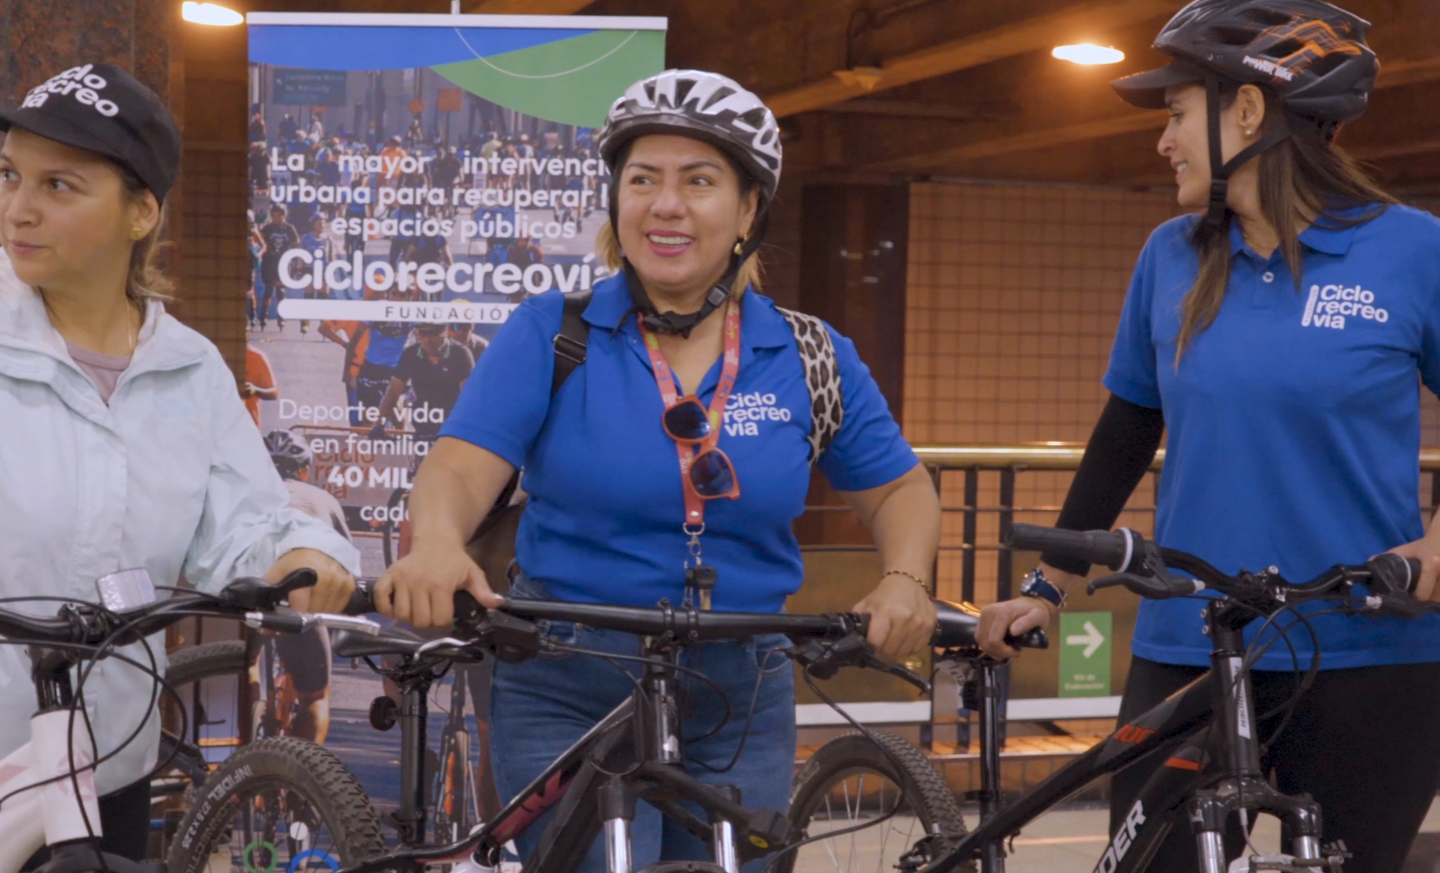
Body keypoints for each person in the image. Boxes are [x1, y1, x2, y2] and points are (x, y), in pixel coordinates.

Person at [374, 70, 940, 872]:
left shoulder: (807, 353)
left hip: (740, 683)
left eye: (698, 181)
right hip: (568, 672)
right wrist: (435, 540)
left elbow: (897, 487)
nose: (664, 204)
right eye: (642, 179)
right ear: (616, 202)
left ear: (747, 210)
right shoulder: (555, 333)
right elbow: (462, 465)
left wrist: (907, 578)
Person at [974, 3, 1440, 870]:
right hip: (1190, 641)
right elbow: (1126, 425)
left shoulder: (1412, 251)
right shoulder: (1169, 255)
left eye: (1177, 112)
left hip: (1368, 647)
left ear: (1249, 113)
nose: (1163, 141)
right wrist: (1046, 583)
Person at [0, 62, 359, 869]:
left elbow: (242, 518)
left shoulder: (190, 366)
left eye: (59, 185)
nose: (18, 207)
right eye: (9, 175)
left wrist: (305, 555)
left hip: (109, 761)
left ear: (141, 212)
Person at [255, 429, 349, 745]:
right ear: (305, 470)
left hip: (249, 594)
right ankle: (301, 783)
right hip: (303, 599)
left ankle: (250, 703)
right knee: (315, 697)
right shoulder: (322, 499)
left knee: (242, 667)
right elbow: (345, 562)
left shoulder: (245, 494)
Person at [377, 322, 474, 445]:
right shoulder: (411, 354)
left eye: (433, 333)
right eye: (423, 333)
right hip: (423, 423)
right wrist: (378, 425)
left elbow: (469, 395)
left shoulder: (460, 353)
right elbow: (392, 393)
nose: (428, 339)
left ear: (444, 332)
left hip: (451, 427)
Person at [259, 202, 300, 330]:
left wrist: (293, 260)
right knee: (268, 290)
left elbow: (296, 243)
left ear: (284, 216)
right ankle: (263, 315)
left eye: (279, 216)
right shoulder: (267, 228)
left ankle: (281, 317)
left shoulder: (289, 228)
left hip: (283, 263)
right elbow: (260, 242)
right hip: (269, 263)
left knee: (280, 292)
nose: (276, 218)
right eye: (274, 215)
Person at [243, 341, 278, 426]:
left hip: (248, 426)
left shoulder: (257, 356)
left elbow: (274, 393)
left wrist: (255, 390)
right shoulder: (215, 354)